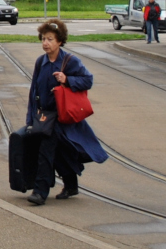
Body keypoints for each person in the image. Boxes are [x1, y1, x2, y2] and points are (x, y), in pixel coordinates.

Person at [24, 19, 108, 206]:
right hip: (46, 117)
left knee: (46, 152)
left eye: (50, 39)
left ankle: (39, 192)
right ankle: (71, 185)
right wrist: (30, 117)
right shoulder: (41, 62)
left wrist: (67, 79)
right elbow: (34, 91)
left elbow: (88, 80)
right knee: (60, 151)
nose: (45, 43)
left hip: (64, 117)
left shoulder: (70, 61)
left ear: (60, 41)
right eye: (43, 39)